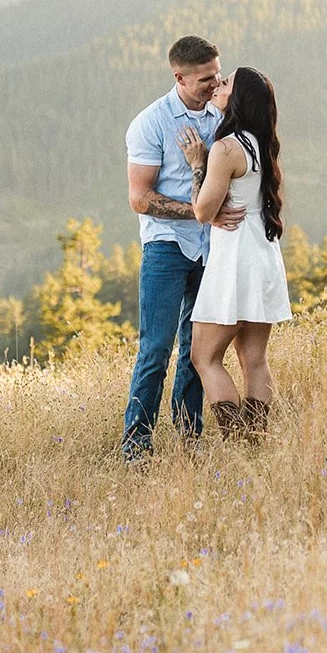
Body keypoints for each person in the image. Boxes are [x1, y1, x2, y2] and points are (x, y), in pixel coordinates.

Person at [122, 36, 245, 460]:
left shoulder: (222, 115)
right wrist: (201, 213)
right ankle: (136, 445)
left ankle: (189, 440)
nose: (216, 84)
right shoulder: (151, 123)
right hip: (166, 246)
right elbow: (140, 198)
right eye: (206, 79)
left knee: (198, 347)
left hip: (213, 249)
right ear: (180, 77)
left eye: (218, 74)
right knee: (155, 348)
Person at [179, 66, 291, 442]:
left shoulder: (227, 149)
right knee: (254, 359)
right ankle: (255, 442)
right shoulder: (264, 144)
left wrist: (198, 163)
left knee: (204, 357)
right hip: (263, 255)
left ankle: (236, 439)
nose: (219, 84)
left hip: (234, 260)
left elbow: (202, 211)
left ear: (237, 98)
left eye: (226, 83)